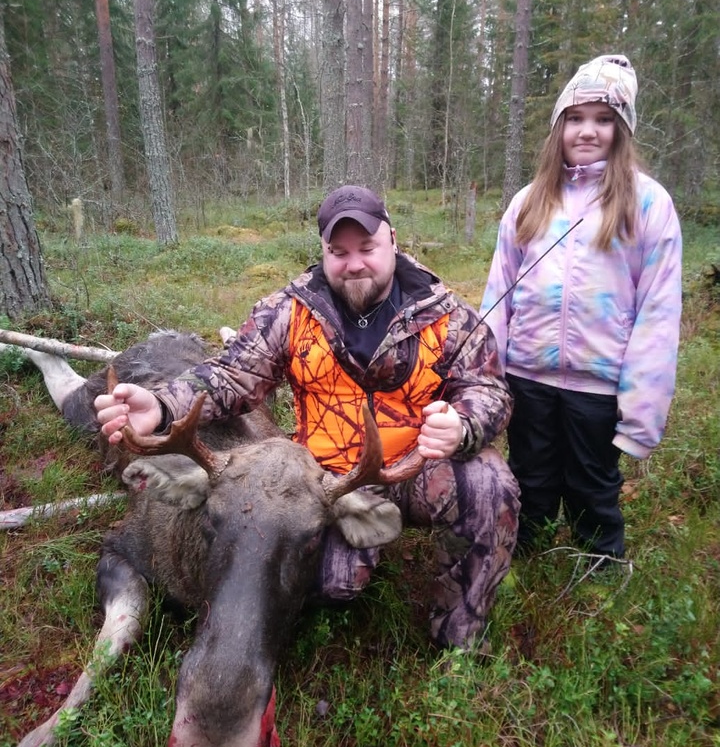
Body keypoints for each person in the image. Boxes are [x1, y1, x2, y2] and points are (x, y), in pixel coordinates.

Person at [96, 185, 520, 651]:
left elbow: (489, 390)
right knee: (331, 585)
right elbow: (231, 376)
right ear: (323, 251)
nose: (354, 263)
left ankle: (460, 639)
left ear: (393, 241)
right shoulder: (291, 311)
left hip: (421, 465)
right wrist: (162, 406)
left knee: (487, 484)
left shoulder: (447, 314)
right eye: (339, 252)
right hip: (327, 480)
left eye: (367, 248)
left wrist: (462, 424)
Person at [481, 54, 682, 560]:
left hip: (599, 382)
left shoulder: (647, 204)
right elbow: (498, 293)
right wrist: (486, 377)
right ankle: (525, 563)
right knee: (530, 478)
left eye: (603, 119)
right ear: (559, 127)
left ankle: (599, 570)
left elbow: (658, 314)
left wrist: (642, 413)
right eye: (575, 117)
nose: (587, 130)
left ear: (622, 128)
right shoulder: (529, 202)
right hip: (527, 375)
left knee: (592, 484)